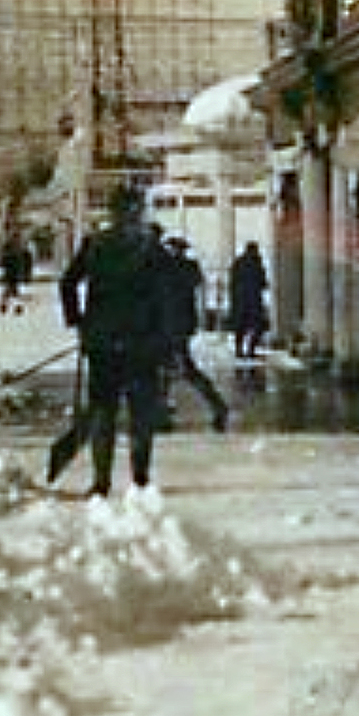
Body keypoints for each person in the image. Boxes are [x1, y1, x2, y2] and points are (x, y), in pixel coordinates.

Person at [58, 183, 173, 497]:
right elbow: (167, 297)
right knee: (141, 413)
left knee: (103, 411)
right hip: (141, 343)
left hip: (102, 342)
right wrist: (166, 338)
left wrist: (78, 320)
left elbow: (68, 282)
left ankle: (101, 480)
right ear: (135, 211)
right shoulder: (151, 248)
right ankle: (140, 477)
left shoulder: (95, 244)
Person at [160, 236, 228, 432]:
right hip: (180, 323)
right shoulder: (189, 267)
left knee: (180, 368)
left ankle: (216, 404)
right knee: (171, 367)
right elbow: (196, 291)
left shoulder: (169, 268)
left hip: (170, 324)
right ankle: (162, 407)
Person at [229, 241, 270, 360]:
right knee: (257, 326)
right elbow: (263, 282)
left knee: (240, 327)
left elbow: (232, 282)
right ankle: (250, 349)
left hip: (240, 300)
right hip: (253, 300)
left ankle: (240, 350)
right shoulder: (257, 263)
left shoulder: (238, 263)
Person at [0, 229, 32, 314]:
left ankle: (7, 305)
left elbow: (26, 261)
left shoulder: (16, 247)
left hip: (13, 272)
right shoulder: (18, 248)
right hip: (13, 272)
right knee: (12, 290)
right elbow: (26, 261)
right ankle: (14, 306)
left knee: (11, 289)